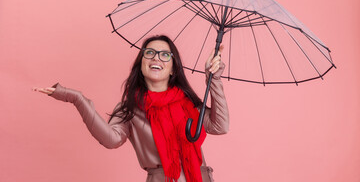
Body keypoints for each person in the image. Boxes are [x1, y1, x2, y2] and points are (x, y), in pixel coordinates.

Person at [33, 35, 229, 182]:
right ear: (141, 64)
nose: (156, 58)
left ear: (173, 69)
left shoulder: (188, 103)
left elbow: (220, 126)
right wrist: (76, 98)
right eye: (149, 53)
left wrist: (215, 79)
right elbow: (110, 140)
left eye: (165, 55)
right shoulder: (129, 109)